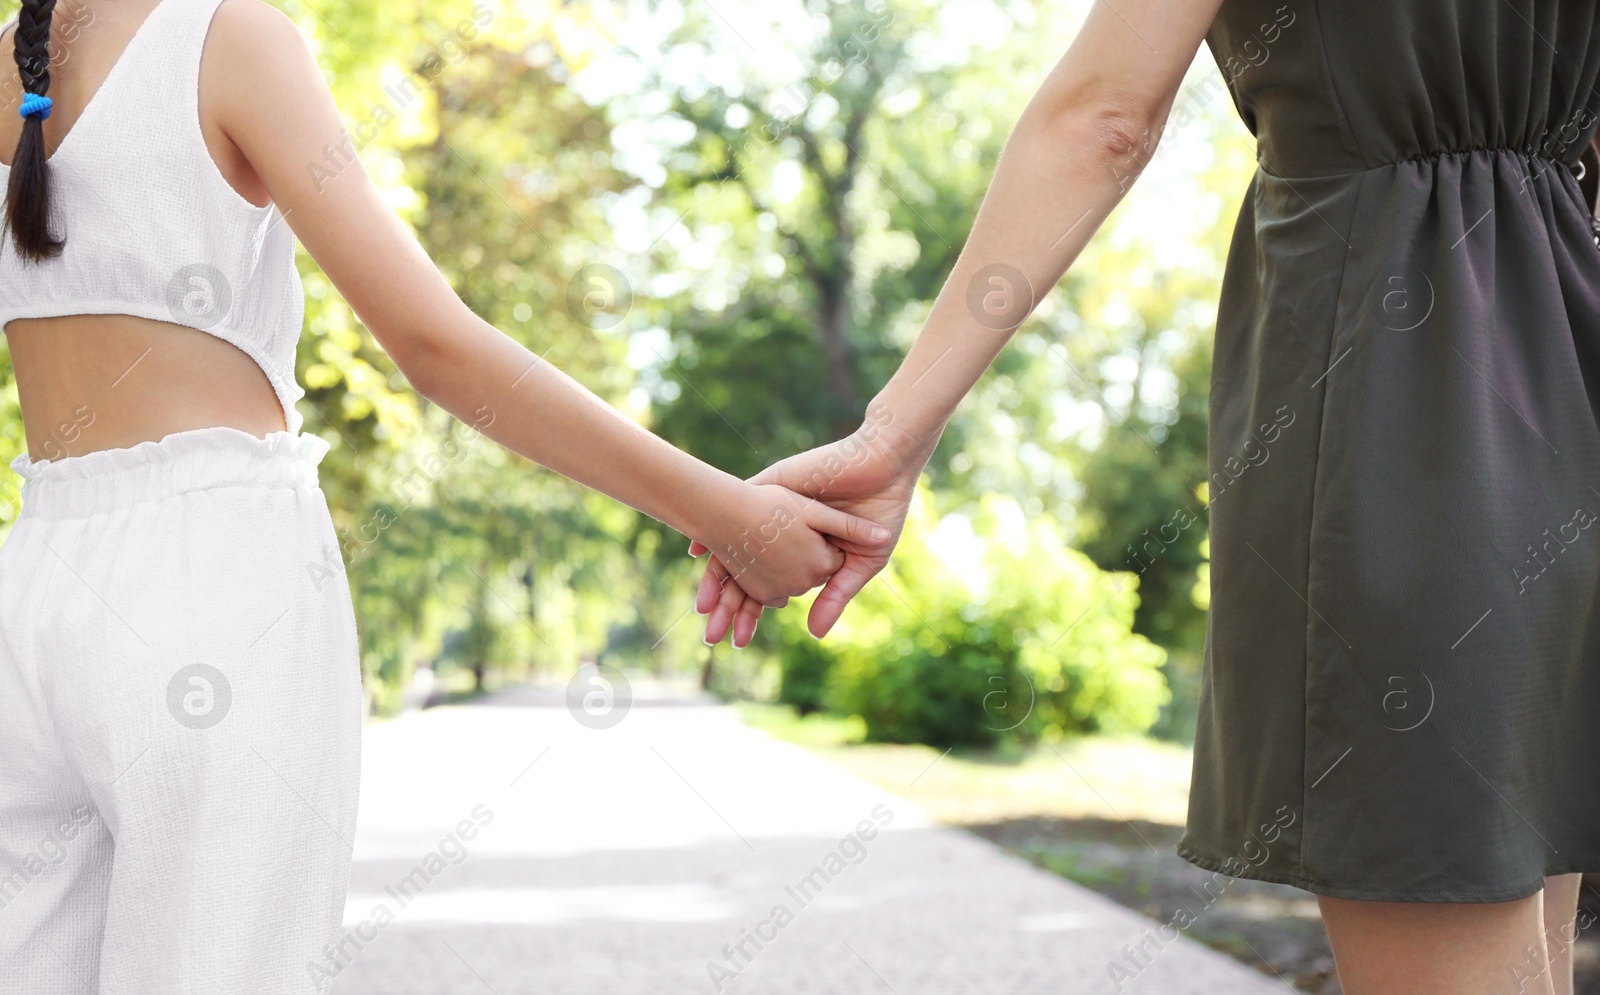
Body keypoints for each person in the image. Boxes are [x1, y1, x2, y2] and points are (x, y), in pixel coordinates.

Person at [693, 1, 1600, 993]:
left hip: (1389, 414)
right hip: (1565, 375)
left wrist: (891, 431)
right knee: (1527, 915)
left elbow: (1103, 121)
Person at [0, 0, 895, 990]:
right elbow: (435, 346)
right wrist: (728, 512)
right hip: (216, 576)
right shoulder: (231, 37)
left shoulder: (12, 63)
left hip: (32, 582)